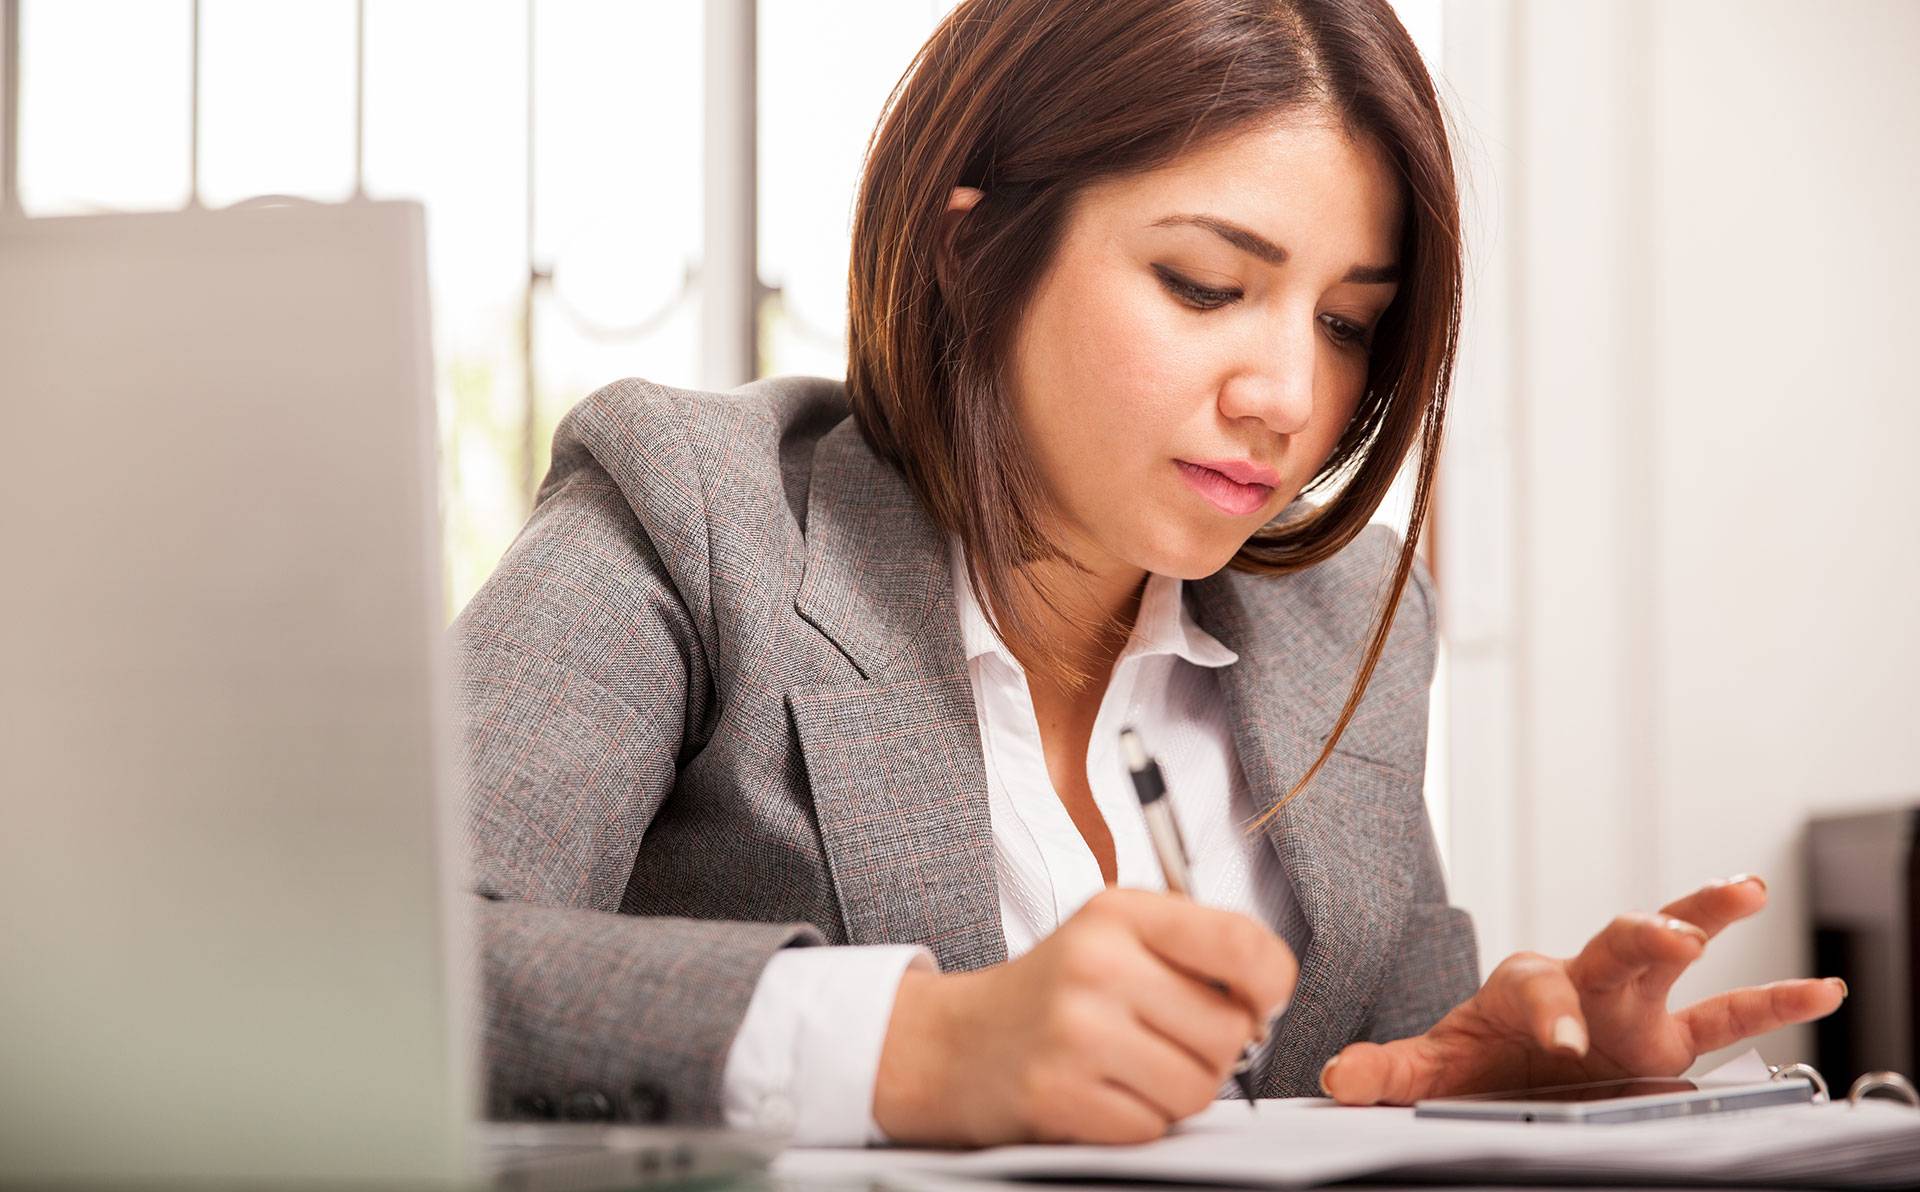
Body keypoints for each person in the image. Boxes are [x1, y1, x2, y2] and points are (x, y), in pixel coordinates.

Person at [451, 0, 1845, 1149]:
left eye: (1351, 322)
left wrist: (1479, 1095)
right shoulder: (690, 513)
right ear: (968, 248)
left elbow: (1368, 1091)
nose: (1291, 395)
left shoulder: (1349, 621)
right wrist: (913, 1045)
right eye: (1202, 284)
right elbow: (392, 961)